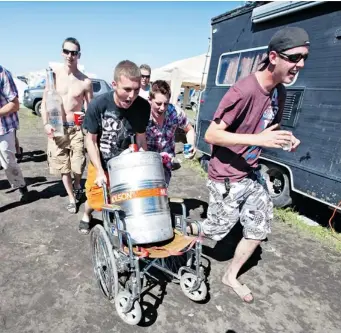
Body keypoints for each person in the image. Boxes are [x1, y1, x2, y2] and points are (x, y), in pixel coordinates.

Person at [192, 27, 309, 303]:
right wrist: (258, 138)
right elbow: (211, 135)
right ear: (273, 57)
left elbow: (270, 125)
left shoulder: (279, 93)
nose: (300, 64)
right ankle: (182, 231)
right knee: (215, 231)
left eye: (304, 57)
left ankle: (230, 275)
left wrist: (283, 137)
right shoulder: (243, 91)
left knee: (259, 227)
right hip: (226, 176)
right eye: (294, 57)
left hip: (251, 172)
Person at [79, 60, 150, 234]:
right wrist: (100, 172)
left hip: (124, 163)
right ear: (114, 84)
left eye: (136, 90)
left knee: (124, 200)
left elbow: (141, 138)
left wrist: (145, 165)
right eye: (126, 89)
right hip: (100, 161)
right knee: (96, 201)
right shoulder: (98, 105)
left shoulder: (142, 107)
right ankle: (86, 214)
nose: (131, 95)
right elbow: (91, 140)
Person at [41, 37, 93, 213]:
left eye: (74, 52)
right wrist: (46, 124)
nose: (70, 55)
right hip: (57, 128)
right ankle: (72, 197)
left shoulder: (85, 81)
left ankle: (78, 183)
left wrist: (89, 128)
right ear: (62, 52)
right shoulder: (53, 76)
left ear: (79, 54)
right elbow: (44, 103)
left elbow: (90, 109)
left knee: (78, 165)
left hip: (76, 129)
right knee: (63, 166)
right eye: (67, 51)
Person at [146, 80, 196, 185]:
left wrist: (191, 145)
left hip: (166, 165)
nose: (162, 108)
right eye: (158, 104)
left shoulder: (175, 112)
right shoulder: (143, 114)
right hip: (146, 165)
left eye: (166, 104)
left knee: (162, 195)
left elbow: (190, 130)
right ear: (150, 99)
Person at [0, 65, 28, 200]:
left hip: (3, 126)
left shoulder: (2, 74)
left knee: (8, 162)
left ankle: (20, 184)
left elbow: (15, 105)